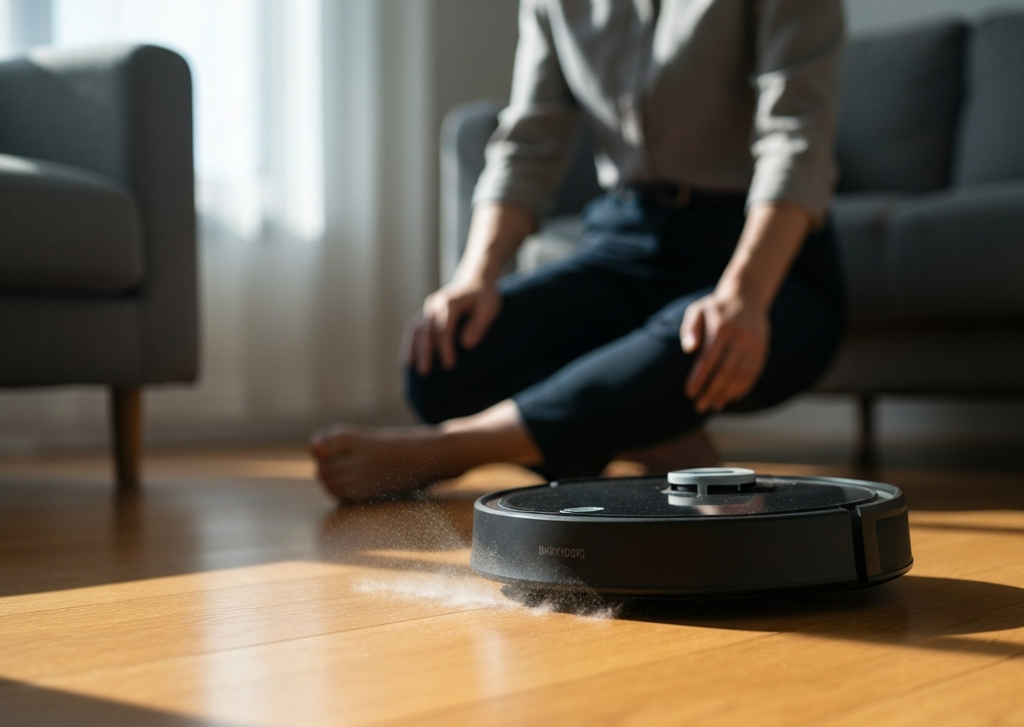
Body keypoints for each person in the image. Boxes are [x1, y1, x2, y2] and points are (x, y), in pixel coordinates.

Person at [312, 0, 845, 502]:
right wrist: (475, 276)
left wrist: (743, 293)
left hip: (764, 252)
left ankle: (455, 448)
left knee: (692, 333)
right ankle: (654, 434)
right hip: (626, 234)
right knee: (446, 361)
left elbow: (795, 137)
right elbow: (530, 139)